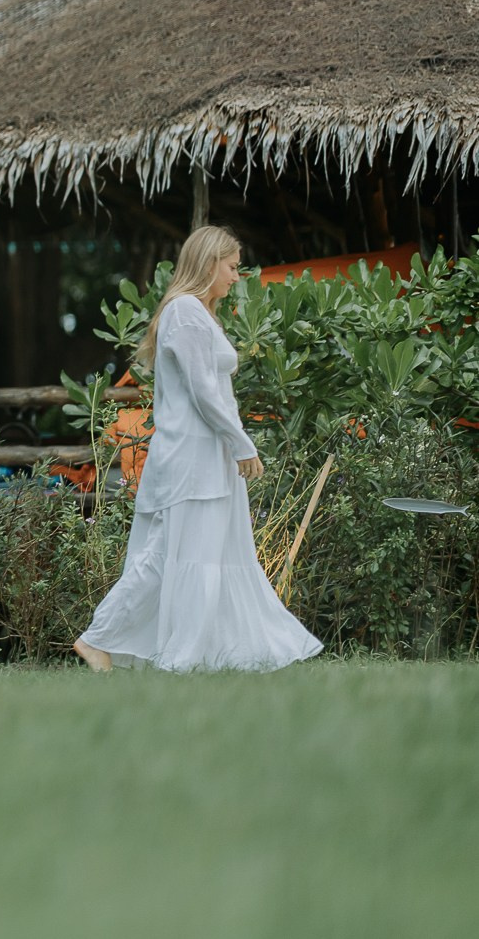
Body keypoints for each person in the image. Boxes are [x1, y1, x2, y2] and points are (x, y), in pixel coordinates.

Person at [76, 226, 322, 673]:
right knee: (173, 554)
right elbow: (204, 392)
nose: (236, 277)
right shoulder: (186, 313)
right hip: (191, 459)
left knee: (203, 554)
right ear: (208, 263)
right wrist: (242, 444)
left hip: (206, 458)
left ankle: (204, 653)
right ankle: (101, 640)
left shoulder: (196, 314)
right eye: (231, 267)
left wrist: (232, 447)